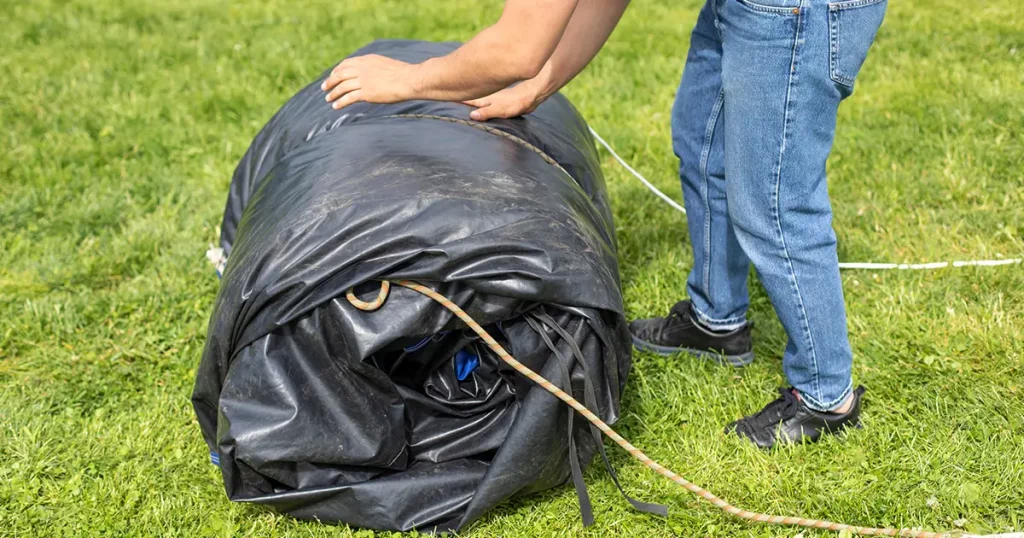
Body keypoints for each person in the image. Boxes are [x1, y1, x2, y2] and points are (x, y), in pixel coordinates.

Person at [324, 0, 887, 449]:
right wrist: (539, 87)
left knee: (773, 200)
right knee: (703, 143)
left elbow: (516, 46)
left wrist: (409, 80)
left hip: (800, 12)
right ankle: (718, 322)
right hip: (748, 7)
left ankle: (824, 396)